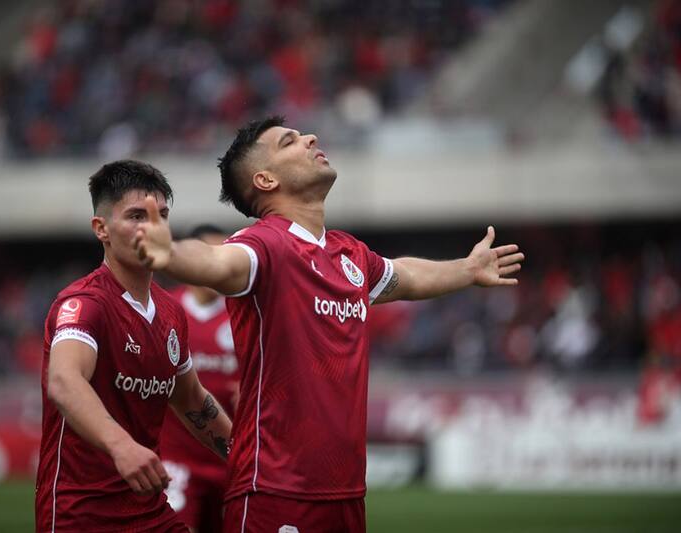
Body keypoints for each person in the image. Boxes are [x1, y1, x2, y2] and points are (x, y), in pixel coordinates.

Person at [133, 117, 524, 532]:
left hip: (347, 494)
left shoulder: (348, 253)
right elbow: (217, 260)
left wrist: (467, 269)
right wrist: (170, 254)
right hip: (277, 490)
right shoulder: (265, 245)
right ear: (265, 180)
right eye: (290, 142)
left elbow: (405, 277)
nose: (310, 139)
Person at [35, 160, 232, 532]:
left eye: (161, 215)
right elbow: (64, 381)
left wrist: (246, 459)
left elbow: (191, 399)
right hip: (82, 514)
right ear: (101, 229)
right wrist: (121, 446)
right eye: (136, 216)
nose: (151, 228)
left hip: (149, 508)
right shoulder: (83, 303)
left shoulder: (172, 313)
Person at [161, 225, 240, 533]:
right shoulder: (165, 311)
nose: (216, 266)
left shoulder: (244, 314)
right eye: (208, 255)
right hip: (177, 460)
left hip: (232, 459)